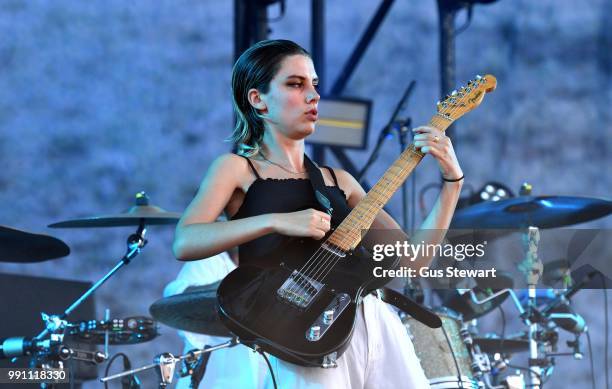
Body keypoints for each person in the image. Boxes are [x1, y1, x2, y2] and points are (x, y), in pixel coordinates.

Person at [173, 39, 464, 388]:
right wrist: (277, 221)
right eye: (295, 84)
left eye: (314, 85)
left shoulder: (339, 181)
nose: (313, 96)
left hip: (372, 323)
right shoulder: (236, 169)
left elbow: (411, 261)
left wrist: (452, 182)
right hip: (304, 336)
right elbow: (185, 240)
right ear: (258, 99)